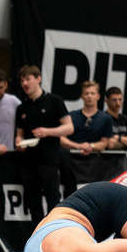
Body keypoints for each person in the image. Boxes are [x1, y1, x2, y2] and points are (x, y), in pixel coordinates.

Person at [15, 65, 74, 225]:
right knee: (33, 203)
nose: (25, 83)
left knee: (53, 202)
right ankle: (36, 239)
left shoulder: (54, 101)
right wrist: (19, 142)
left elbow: (69, 127)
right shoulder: (22, 107)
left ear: (38, 79)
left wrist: (47, 132)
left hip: (49, 160)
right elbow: (19, 134)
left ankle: (55, 236)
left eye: (28, 79)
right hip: (28, 162)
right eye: (22, 80)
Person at [60, 80, 112, 155]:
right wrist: (78, 146)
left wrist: (90, 146)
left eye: (92, 93)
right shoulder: (71, 116)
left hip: (95, 161)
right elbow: (61, 138)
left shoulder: (106, 118)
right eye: (86, 93)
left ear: (98, 96)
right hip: (71, 159)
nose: (89, 96)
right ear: (81, 96)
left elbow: (104, 143)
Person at [104, 87, 127, 153]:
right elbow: (110, 144)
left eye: (120, 100)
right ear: (107, 100)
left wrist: (119, 138)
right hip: (107, 159)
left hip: (124, 159)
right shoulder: (102, 118)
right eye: (114, 100)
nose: (118, 103)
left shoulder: (126, 119)